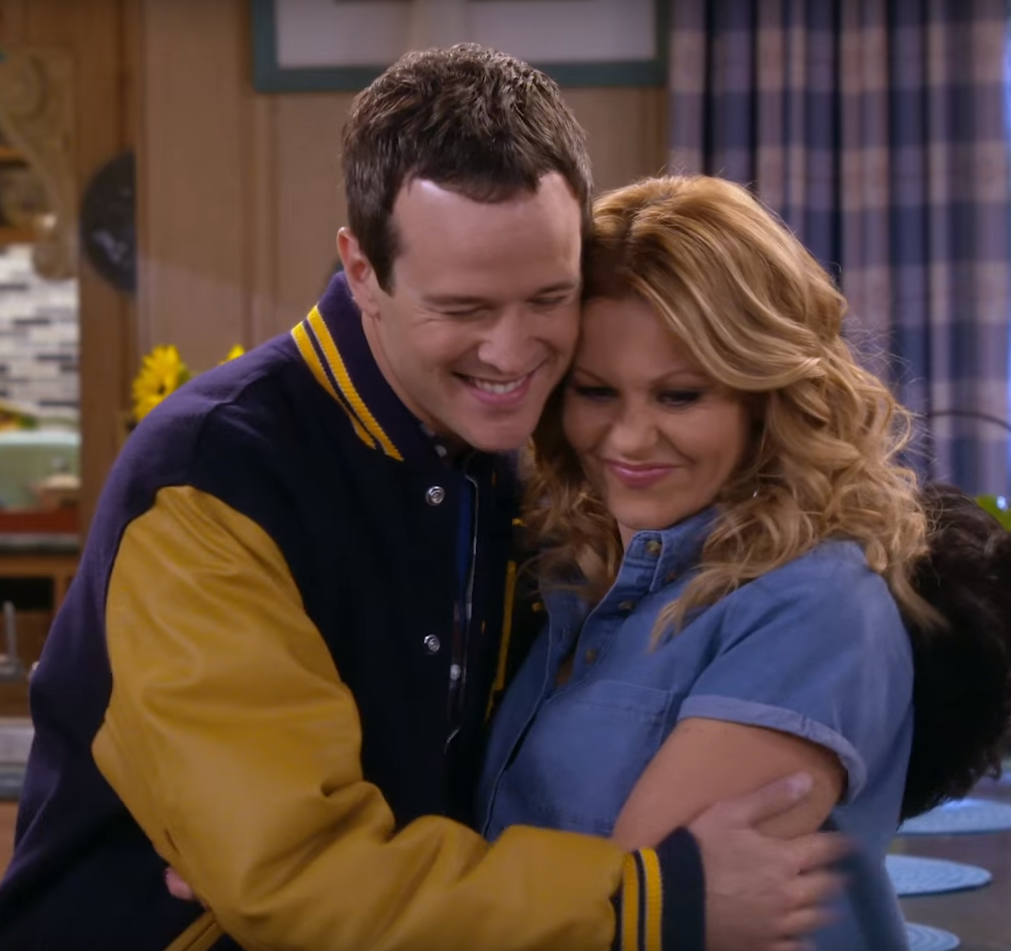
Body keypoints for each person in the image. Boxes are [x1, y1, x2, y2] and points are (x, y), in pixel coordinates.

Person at [0, 47, 846, 951]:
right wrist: (648, 900)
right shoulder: (214, 478)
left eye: (549, 298)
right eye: (464, 308)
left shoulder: (520, 455)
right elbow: (296, 877)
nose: (512, 353)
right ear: (362, 270)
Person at [476, 174, 1011, 951]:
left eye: (679, 396)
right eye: (595, 391)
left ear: (764, 394)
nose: (628, 438)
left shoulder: (816, 603)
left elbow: (641, 915)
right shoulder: (572, 572)